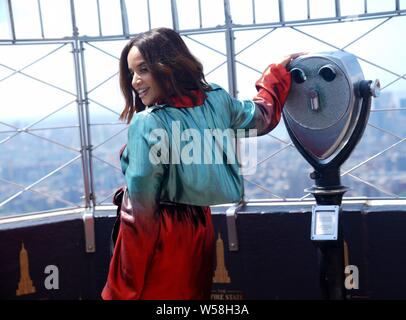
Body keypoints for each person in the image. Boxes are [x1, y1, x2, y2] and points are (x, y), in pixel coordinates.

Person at [102, 27, 303, 300]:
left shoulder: (148, 122)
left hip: (160, 241)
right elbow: (262, 116)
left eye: (144, 69)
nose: (135, 81)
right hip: (199, 231)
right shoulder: (216, 100)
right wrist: (277, 74)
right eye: (132, 72)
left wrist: (122, 290)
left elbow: (139, 216)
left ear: (168, 67)